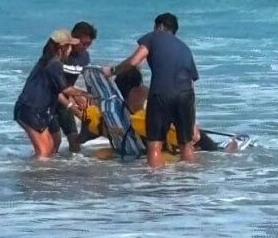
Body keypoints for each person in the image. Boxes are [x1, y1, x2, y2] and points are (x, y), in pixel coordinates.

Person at [103, 13, 198, 167]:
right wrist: (193, 122)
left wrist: (113, 71)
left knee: (155, 145)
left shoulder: (153, 37)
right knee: (186, 145)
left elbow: (134, 62)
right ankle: (189, 182)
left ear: (159, 27)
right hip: (186, 96)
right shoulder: (184, 48)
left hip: (161, 94)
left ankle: (154, 185)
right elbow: (192, 83)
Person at [14, 29, 88, 159]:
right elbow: (66, 90)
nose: (71, 49)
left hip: (35, 110)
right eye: (70, 46)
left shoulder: (46, 60)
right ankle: (37, 177)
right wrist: (91, 96)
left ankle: (37, 175)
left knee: (49, 147)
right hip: (30, 110)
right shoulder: (54, 64)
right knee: (43, 152)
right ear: (63, 48)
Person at [54, 21, 97, 154]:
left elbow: (89, 81)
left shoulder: (85, 56)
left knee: (75, 142)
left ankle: (72, 171)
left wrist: (91, 101)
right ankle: (45, 172)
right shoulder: (60, 54)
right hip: (49, 100)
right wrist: (73, 101)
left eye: (88, 44)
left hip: (65, 99)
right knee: (55, 142)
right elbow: (53, 85)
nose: (85, 47)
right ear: (73, 39)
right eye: (83, 43)